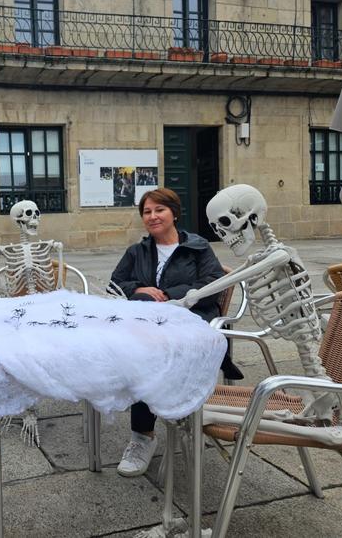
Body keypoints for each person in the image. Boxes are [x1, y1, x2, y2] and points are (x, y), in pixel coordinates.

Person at [109, 188, 238, 478]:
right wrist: (139, 289)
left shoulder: (198, 247)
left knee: (146, 356)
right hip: (149, 325)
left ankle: (155, 425)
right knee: (136, 351)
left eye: (159, 210)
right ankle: (143, 436)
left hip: (190, 324)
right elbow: (115, 284)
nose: (152, 216)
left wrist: (168, 294)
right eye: (147, 212)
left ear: (174, 213)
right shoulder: (137, 251)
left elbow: (213, 284)